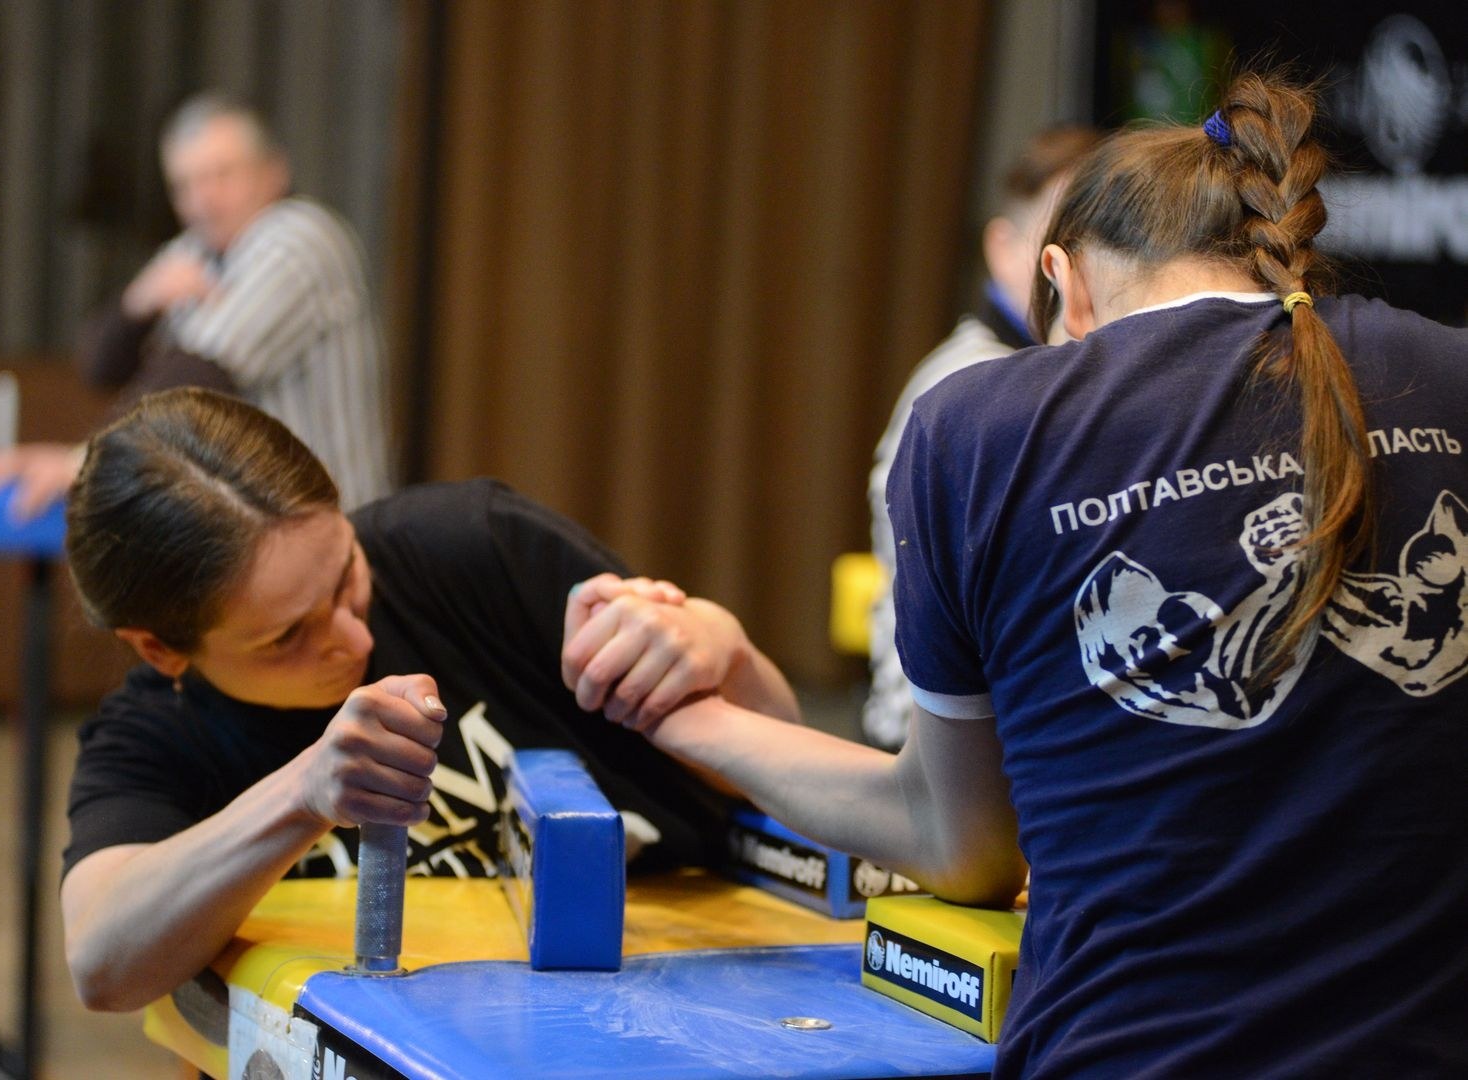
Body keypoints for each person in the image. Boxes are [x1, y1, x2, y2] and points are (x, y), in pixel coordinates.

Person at [566, 72, 1468, 1075]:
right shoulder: (1449, 371)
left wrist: (684, 719)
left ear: (1062, 281)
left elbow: (963, 846)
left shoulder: (973, 425)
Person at [59, 387, 795, 1012]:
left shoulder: (472, 550)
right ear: (160, 648)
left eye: (346, 574)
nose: (351, 638)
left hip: (684, 1000)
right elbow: (102, 965)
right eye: (287, 637)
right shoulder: (158, 731)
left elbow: (782, 765)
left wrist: (725, 651)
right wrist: (302, 794)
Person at [0, 92, 391, 513]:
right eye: (185, 184)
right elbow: (99, 367)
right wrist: (136, 305)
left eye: (222, 174)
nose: (204, 198)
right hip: (265, 535)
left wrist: (83, 462)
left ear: (274, 172)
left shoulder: (299, 235)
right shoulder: (197, 251)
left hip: (336, 530)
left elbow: (199, 375)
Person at [864, 125, 1098, 750]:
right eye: (1067, 239)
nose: (1089, 267)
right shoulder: (970, 388)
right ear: (1005, 249)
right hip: (942, 751)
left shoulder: (1072, 382)